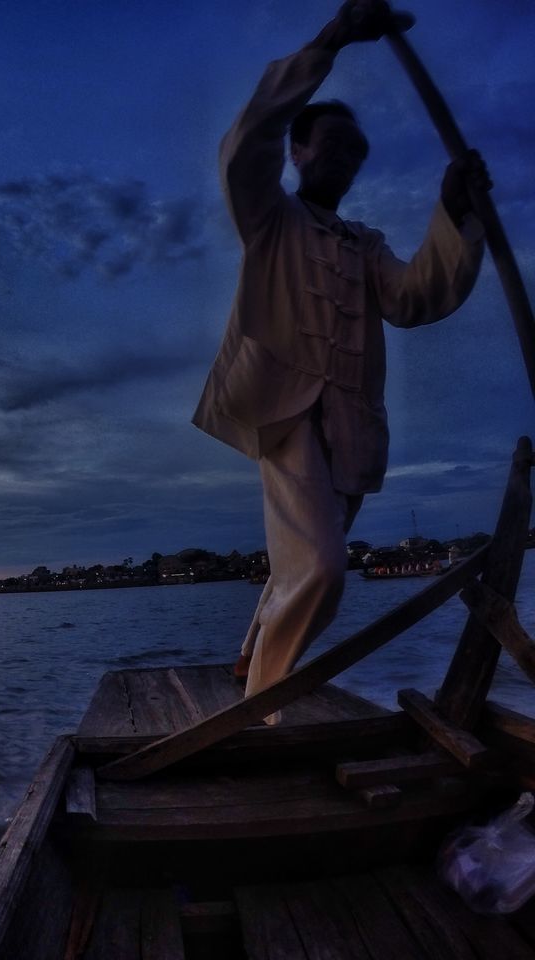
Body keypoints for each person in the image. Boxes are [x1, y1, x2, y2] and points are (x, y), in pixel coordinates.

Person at [191, 0, 490, 720]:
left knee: (301, 561)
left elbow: (416, 298)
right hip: (283, 410)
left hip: (351, 423)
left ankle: (248, 652)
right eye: (333, 147)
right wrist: (328, 42)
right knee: (322, 568)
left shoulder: (363, 242)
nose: (347, 162)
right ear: (299, 151)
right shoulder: (270, 215)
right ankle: (262, 709)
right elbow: (245, 144)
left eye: (358, 154)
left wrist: (454, 213)